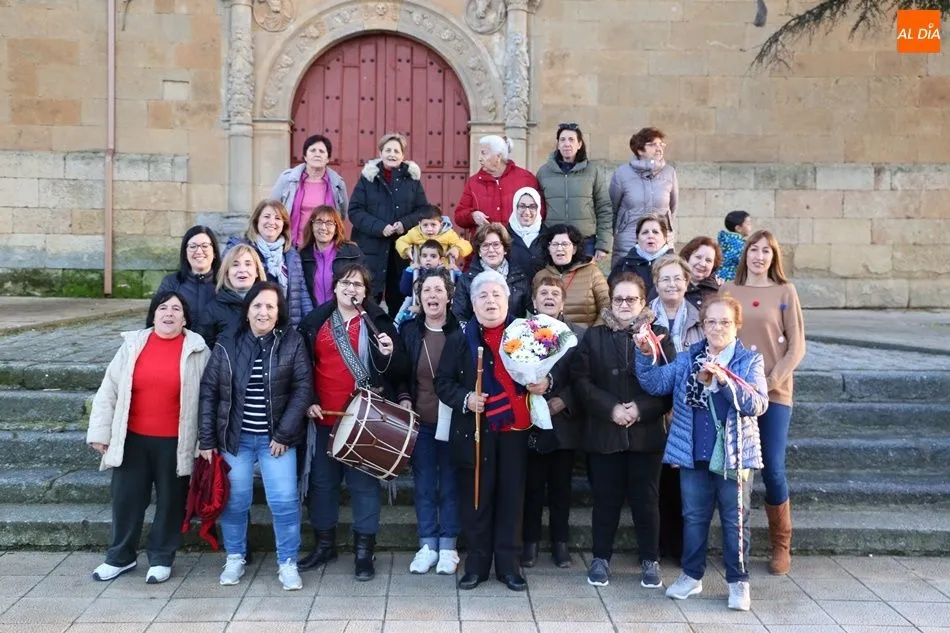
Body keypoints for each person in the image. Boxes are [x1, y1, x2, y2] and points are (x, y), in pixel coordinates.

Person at [635, 295, 768, 612]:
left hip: (734, 456)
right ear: (703, 325)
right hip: (694, 453)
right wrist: (645, 354)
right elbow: (655, 384)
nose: (718, 327)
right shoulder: (687, 359)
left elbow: (757, 404)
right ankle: (692, 576)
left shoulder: (749, 361)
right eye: (711, 321)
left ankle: (738, 581)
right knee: (693, 519)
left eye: (725, 322)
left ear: (736, 325)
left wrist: (725, 381)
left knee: (736, 521)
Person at [87, 291, 210, 584]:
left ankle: (161, 558)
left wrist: (205, 441)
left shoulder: (198, 350)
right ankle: (120, 557)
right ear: (153, 314)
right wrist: (100, 432)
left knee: (170, 502)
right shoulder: (133, 345)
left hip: (176, 441)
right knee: (126, 500)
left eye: (176, 309)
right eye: (163, 308)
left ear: (185, 317)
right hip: (133, 440)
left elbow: (210, 399)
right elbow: (109, 390)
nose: (169, 314)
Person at [435, 269, 545, 593]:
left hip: (514, 429)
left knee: (512, 498)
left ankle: (509, 567)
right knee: (477, 498)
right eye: (483, 295)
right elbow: (443, 383)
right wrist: (466, 399)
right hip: (476, 430)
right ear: (472, 302)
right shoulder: (459, 338)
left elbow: (545, 374)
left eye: (496, 294)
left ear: (507, 299)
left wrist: (545, 382)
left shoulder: (526, 334)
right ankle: (477, 566)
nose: (490, 300)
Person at [198, 281, 313, 591]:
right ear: (247, 310)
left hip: (276, 441)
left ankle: (287, 561)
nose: (263, 312)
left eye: (270, 307)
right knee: (235, 502)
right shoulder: (228, 343)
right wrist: (207, 439)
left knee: (285, 501)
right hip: (235, 438)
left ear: (279, 313)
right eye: (257, 306)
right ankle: (235, 557)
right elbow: (209, 392)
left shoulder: (292, 342)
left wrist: (285, 434)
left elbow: (303, 389)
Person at [296, 264, 408, 581]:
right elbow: (302, 367)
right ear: (334, 288)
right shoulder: (314, 322)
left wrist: (389, 353)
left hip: (365, 421)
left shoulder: (379, 324)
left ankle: (363, 552)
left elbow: (398, 371)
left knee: (364, 486)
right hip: (323, 418)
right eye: (345, 282)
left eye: (357, 284)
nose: (351, 289)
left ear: (365, 291)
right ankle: (324, 545)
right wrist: (309, 401)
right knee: (322, 485)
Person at [573, 272, 674, 589]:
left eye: (632, 299)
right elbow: (581, 382)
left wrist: (640, 409)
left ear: (643, 302)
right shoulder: (594, 336)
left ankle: (650, 559)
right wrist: (611, 408)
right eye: (619, 299)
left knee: (647, 501)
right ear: (611, 302)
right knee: (605, 500)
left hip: (646, 435)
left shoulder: (659, 336)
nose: (625, 304)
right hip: (605, 431)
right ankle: (600, 558)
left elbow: (668, 386)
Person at [720, 230, 805, 576]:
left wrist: (769, 384)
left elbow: (796, 347)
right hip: (735, 392)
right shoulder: (729, 291)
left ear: (774, 257)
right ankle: (735, 545)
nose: (759, 256)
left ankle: (781, 544)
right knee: (735, 468)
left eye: (766, 251)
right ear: (745, 255)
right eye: (753, 250)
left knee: (772, 466)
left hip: (774, 393)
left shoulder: (785, 292)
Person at [398, 268, 463, 575]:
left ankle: (449, 546)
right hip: (420, 422)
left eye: (438, 290)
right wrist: (404, 398)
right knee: (424, 484)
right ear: (419, 298)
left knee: (450, 484)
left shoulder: (462, 332)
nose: (432, 296)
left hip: (453, 423)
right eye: (426, 291)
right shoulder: (409, 331)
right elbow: (399, 373)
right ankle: (427, 544)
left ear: (449, 297)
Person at [521, 276, 586, 570]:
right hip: (532, 419)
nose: (548, 297)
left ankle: (561, 543)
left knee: (561, 487)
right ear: (534, 301)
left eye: (554, 293)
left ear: (563, 301)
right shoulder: (521, 333)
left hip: (564, 422)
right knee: (532, 487)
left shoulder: (579, 335)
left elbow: (585, 377)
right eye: (543, 293)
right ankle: (530, 543)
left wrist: (565, 400)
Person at [348, 133, 431, 318]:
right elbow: (355, 210)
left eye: (396, 151)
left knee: (399, 301)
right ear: (380, 152)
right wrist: (380, 227)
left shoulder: (412, 180)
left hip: (400, 253)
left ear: (403, 155)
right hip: (371, 250)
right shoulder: (368, 179)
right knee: (367, 300)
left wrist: (405, 224)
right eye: (388, 150)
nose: (392, 154)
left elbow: (423, 210)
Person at [226, 199, 313, 328]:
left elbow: (301, 292)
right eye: (266, 216)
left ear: (284, 224)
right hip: (251, 326)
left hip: (285, 326)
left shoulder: (291, 255)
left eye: (278, 218)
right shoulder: (240, 247)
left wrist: (310, 323)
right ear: (257, 220)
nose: (272, 222)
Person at [535, 123, 612, 261]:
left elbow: (604, 208)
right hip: (554, 241)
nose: (566, 144)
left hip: (585, 242)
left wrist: (603, 245)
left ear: (579, 144)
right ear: (558, 144)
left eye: (571, 140)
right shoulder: (544, 172)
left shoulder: (593, 171)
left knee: (584, 280)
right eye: (562, 140)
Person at [609, 127, 678, 265]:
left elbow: (673, 207)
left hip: (661, 239)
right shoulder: (622, 173)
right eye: (652, 144)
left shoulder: (670, 172)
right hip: (629, 238)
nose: (658, 148)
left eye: (661, 144)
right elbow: (612, 208)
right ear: (640, 150)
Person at [271, 133, 349, 246]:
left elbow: (342, 214)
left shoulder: (338, 183)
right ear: (305, 156)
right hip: (292, 245)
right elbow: (273, 208)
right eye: (313, 150)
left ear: (328, 159)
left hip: (324, 246)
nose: (317, 154)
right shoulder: (287, 179)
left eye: (322, 151)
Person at [454, 135, 542, 230]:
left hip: (517, 242)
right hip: (485, 242)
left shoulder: (526, 178)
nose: (480, 158)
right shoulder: (473, 182)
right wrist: (472, 216)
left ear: (498, 156)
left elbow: (540, 212)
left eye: (484, 153)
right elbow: (459, 216)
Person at [534, 223, 609, 326]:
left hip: (586, 338)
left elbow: (607, 306)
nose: (559, 248)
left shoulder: (592, 272)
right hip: (549, 338)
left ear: (574, 249)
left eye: (565, 244)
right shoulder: (540, 276)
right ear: (548, 249)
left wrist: (593, 335)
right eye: (555, 244)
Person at [452, 223, 530, 323]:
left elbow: (529, 312)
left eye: (496, 244)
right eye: (485, 245)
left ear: (505, 248)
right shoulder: (466, 280)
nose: (491, 250)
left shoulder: (520, 277)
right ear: (479, 251)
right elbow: (459, 316)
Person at [154, 226, 221, 337]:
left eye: (204, 246)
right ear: (185, 252)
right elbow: (156, 320)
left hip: (217, 350)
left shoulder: (225, 283)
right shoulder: (171, 283)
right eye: (193, 246)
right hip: (180, 349)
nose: (199, 251)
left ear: (214, 252)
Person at [201, 244, 268, 347]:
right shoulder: (212, 310)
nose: (242, 269)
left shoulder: (272, 304)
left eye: (248, 264)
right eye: (235, 264)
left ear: (257, 271)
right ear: (227, 273)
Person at [297, 205, 364, 307]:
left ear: (336, 227)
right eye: (319, 222)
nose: (323, 227)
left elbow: (366, 286)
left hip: (344, 315)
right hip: (315, 316)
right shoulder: (303, 255)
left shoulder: (352, 252)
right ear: (312, 225)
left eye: (329, 223)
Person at [608, 213, 673, 301]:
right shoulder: (623, 265)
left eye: (655, 232)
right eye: (645, 232)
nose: (650, 236)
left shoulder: (675, 265)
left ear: (665, 238)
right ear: (637, 238)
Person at [650, 255, 703, 354]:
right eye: (665, 279)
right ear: (656, 285)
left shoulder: (700, 321)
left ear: (686, 284)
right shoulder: (641, 321)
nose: (672, 284)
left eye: (677, 279)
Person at [394, 239, 450, 329]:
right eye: (424, 256)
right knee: (405, 306)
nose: (428, 259)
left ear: (441, 260)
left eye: (433, 256)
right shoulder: (417, 271)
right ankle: (396, 327)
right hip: (415, 298)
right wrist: (409, 271)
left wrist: (457, 273)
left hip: (433, 302)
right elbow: (404, 290)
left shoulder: (443, 273)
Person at [395, 205, 472, 268]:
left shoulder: (447, 234)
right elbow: (401, 241)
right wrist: (406, 249)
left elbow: (466, 244)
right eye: (425, 225)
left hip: (442, 269)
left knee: (456, 274)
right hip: (421, 269)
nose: (429, 229)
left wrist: (457, 249)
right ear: (419, 224)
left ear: (440, 224)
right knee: (407, 275)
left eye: (433, 225)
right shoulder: (415, 232)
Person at [507, 187, 545, 278]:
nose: (527, 212)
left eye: (532, 207)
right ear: (515, 207)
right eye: (522, 206)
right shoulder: (504, 235)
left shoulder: (547, 236)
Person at [679, 236, 723, 311]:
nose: (702, 264)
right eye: (698, 257)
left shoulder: (720, 291)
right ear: (687, 258)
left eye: (708, 260)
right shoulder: (670, 283)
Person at [718, 210, 752, 283]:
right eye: (748, 224)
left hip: (719, 277)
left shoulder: (725, 240)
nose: (751, 226)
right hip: (731, 279)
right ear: (738, 228)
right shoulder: (739, 244)